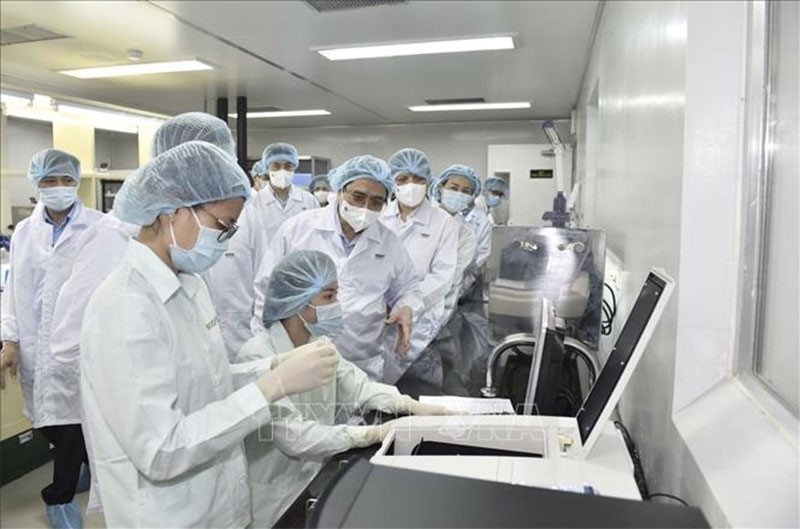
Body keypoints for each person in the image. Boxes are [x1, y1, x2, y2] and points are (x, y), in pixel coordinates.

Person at [79, 141, 339, 528]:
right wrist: (271, 388)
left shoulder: (190, 285)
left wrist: (271, 367)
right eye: (222, 225)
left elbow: (207, 382)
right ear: (173, 211)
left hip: (219, 505)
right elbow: (162, 449)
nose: (227, 239)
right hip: (169, 516)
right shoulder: (125, 306)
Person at [48, 111, 240, 515]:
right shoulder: (113, 251)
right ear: (177, 199)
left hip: (196, 460)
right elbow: (67, 344)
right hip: (150, 473)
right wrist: (123, 385)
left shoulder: (185, 264)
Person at [239, 250, 454, 526]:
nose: (337, 305)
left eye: (336, 295)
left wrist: (407, 404)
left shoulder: (320, 344)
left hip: (311, 480)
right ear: (298, 301)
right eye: (328, 296)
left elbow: (359, 387)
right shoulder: (258, 357)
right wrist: (371, 433)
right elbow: (296, 438)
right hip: (272, 500)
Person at [0, 148, 104, 529]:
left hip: (81, 345)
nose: (59, 186)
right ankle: (86, 468)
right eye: (49, 180)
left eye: (66, 179)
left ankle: (58, 497)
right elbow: (15, 290)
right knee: (51, 422)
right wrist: (10, 340)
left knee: (74, 424)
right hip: (35, 347)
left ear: (77, 182)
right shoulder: (25, 232)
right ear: (36, 184)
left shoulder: (98, 227)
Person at [253, 155, 422, 380]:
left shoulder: (389, 243)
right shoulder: (298, 230)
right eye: (358, 197)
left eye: (376, 202)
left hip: (362, 360)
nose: (365, 207)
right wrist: (268, 349)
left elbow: (408, 288)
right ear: (341, 190)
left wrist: (406, 307)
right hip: (299, 358)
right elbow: (266, 289)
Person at [204, 142, 318, 357]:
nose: (282, 171)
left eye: (288, 166)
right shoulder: (252, 204)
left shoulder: (308, 201)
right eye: (276, 166)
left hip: (298, 278)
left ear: (294, 168)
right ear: (267, 168)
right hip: (260, 273)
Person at [380, 148, 459, 383]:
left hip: (420, 320)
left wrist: (407, 304)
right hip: (379, 317)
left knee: (417, 388)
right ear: (391, 181)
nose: (411, 185)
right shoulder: (380, 217)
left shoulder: (443, 222)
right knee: (377, 387)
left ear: (429, 182)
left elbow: (442, 276)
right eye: (403, 179)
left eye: (418, 179)